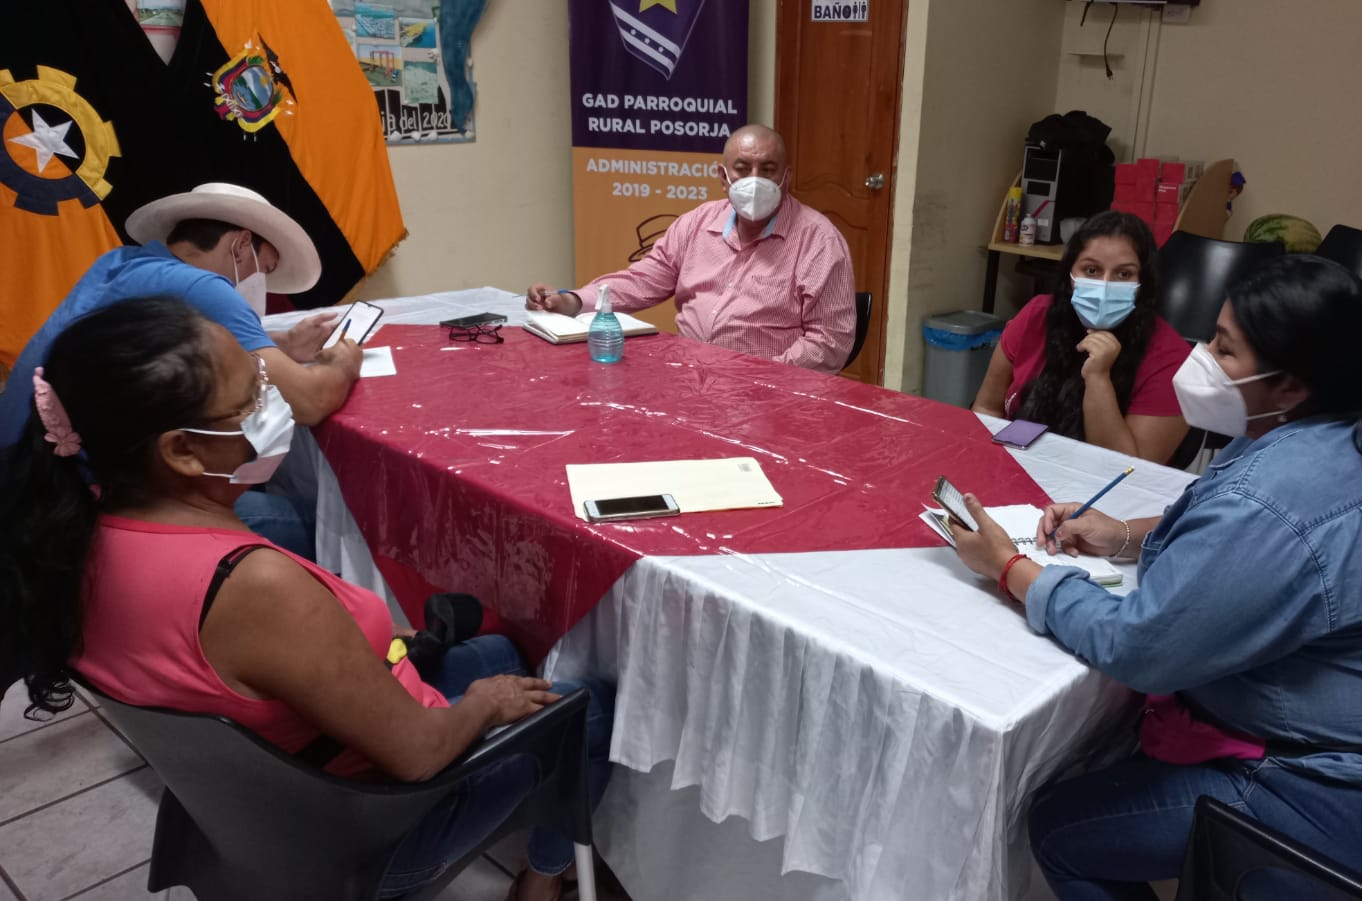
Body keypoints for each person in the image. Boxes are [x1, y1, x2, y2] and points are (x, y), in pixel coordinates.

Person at [0, 298, 618, 901]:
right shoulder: (253, 585)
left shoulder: (72, 534)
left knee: (502, 654)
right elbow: (419, 755)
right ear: (181, 450)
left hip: (252, 803)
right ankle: (543, 880)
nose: (274, 403)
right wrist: (482, 706)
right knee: (589, 702)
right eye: (251, 398)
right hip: (366, 829)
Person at [949, 256, 1362, 899]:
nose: (1201, 358)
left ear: (1290, 385)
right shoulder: (1350, 432)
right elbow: (1237, 531)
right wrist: (1123, 534)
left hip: (1355, 805)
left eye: (1225, 349)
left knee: (1059, 828)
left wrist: (1012, 568)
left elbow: (1138, 648)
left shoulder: (1277, 497)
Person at [0, 183, 363, 558]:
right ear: (241, 245)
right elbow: (308, 401)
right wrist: (345, 361)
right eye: (264, 270)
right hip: (70, 514)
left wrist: (282, 345)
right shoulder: (203, 287)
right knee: (318, 528)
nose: (262, 285)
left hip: (24, 488)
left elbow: (179, 348)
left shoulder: (122, 264)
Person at [526, 124, 856, 373]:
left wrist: (762, 376)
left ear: (787, 177)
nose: (755, 180)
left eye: (768, 170)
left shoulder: (819, 241)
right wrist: (572, 301)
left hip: (768, 393)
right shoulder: (698, 223)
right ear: (723, 177)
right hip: (687, 376)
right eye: (742, 169)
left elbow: (830, 342)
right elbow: (644, 279)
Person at [972, 211, 1191, 464]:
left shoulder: (1171, 360)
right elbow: (987, 408)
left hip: (1103, 485)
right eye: (1092, 270)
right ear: (1070, 275)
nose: (1105, 286)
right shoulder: (1037, 316)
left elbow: (1130, 470)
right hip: (1016, 467)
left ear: (1144, 282)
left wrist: (1098, 378)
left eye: (1123, 274)